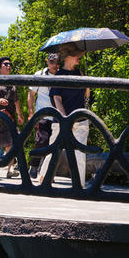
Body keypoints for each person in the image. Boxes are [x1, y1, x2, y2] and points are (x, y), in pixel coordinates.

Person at [38, 43, 90, 185]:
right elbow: (56, 98)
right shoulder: (59, 75)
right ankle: (43, 180)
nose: (79, 58)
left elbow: (86, 96)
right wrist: (65, 117)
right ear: (68, 57)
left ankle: (79, 184)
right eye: (77, 55)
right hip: (62, 120)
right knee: (54, 150)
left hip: (80, 119)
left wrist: (87, 84)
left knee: (80, 154)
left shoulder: (80, 74)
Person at [27, 52, 60, 178]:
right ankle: (34, 165)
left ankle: (48, 170)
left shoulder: (62, 75)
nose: (54, 65)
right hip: (43, 114)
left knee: (55, 145)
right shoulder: (39, 74)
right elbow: (31, 94)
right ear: (47, 61)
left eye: (57, 62)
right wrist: (31, 112)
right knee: (42, 141)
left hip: (58, 115)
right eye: (52, 62)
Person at [0, 56, 25, 177]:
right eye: (6, 64)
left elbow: (16, 100)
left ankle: (10, 170)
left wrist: (20, 115)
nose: (9, 66)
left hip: (10, 118)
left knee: (11, 143)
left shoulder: (12, 83)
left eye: (10, 64)